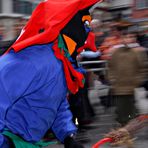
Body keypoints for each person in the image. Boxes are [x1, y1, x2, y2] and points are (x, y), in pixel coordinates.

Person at [0, 0, 102, 147]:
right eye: (85, 24)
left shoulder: (62, 61)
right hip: (11, 139)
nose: (89, 32)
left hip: (31, 142)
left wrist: (67, 137)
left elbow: (56, 103)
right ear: (70, 24)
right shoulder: (34, 60)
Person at [107, 32, 147, 126]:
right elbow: (110, 67)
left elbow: (143, 68)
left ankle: (129, 126)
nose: (128, 39)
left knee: (131, 109)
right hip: (119, 86)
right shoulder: (116, 52)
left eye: (131, 37)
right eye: (126, 37)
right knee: (121, 109)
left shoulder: (137, 52)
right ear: (122, 39)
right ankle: (123, 125)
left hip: (132, 86)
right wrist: (112, 79)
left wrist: (138, 80)